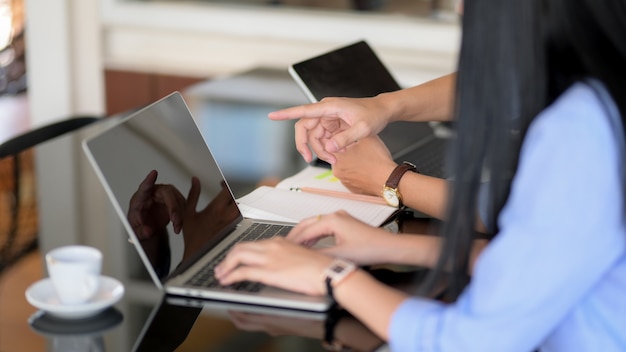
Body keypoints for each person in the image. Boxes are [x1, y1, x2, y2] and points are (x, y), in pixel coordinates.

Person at [215, 0, 626, 350]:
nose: (460, 8)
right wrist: (396, 248)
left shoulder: (578, 131)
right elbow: (543, 247)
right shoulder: (599, 89)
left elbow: (468, 341)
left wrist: (332, 275)